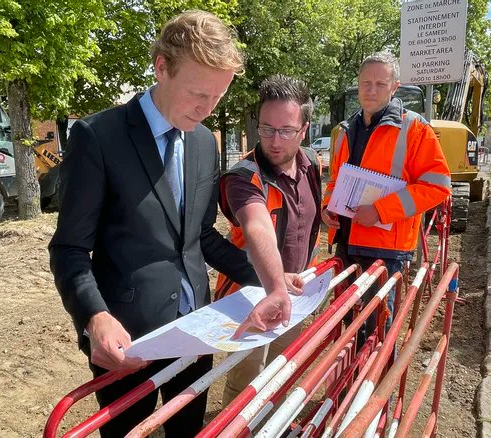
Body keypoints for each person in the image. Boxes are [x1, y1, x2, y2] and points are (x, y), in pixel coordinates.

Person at [48, 10, 263, 437]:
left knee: (187, 429)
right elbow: (69, 249)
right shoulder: (98, 137)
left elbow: (199, 237)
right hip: (129, 340)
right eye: (197, 93)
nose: (206, 108)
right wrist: (96, 318)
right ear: (161, 67)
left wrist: (268, 277)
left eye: (217, 97)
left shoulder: (203, 141)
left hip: (197, 330)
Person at [322, 51, 451, 343]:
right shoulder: (345, 131)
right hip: (345, 241)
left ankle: (379, 389)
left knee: (375, 332)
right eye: (366, 83)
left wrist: (381, 210)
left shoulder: (415, 128)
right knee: (346, 326)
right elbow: (335, 180)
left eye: (380, 84)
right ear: (358, 84)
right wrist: (327, 206)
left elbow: (438, 185)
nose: (371, 90)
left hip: (385, 251)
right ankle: (346, 390)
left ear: (395, 86)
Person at [214, 75, 323, 406]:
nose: (275, 141)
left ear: (304, 130)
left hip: (297, 290)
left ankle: (271, 423)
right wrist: (275, 288)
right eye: (266, 129)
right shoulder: (243, 177)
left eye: (286, 130)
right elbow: (257, 227)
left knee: (283, 368)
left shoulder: (312, 163)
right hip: (251, 297)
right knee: (247, 377)